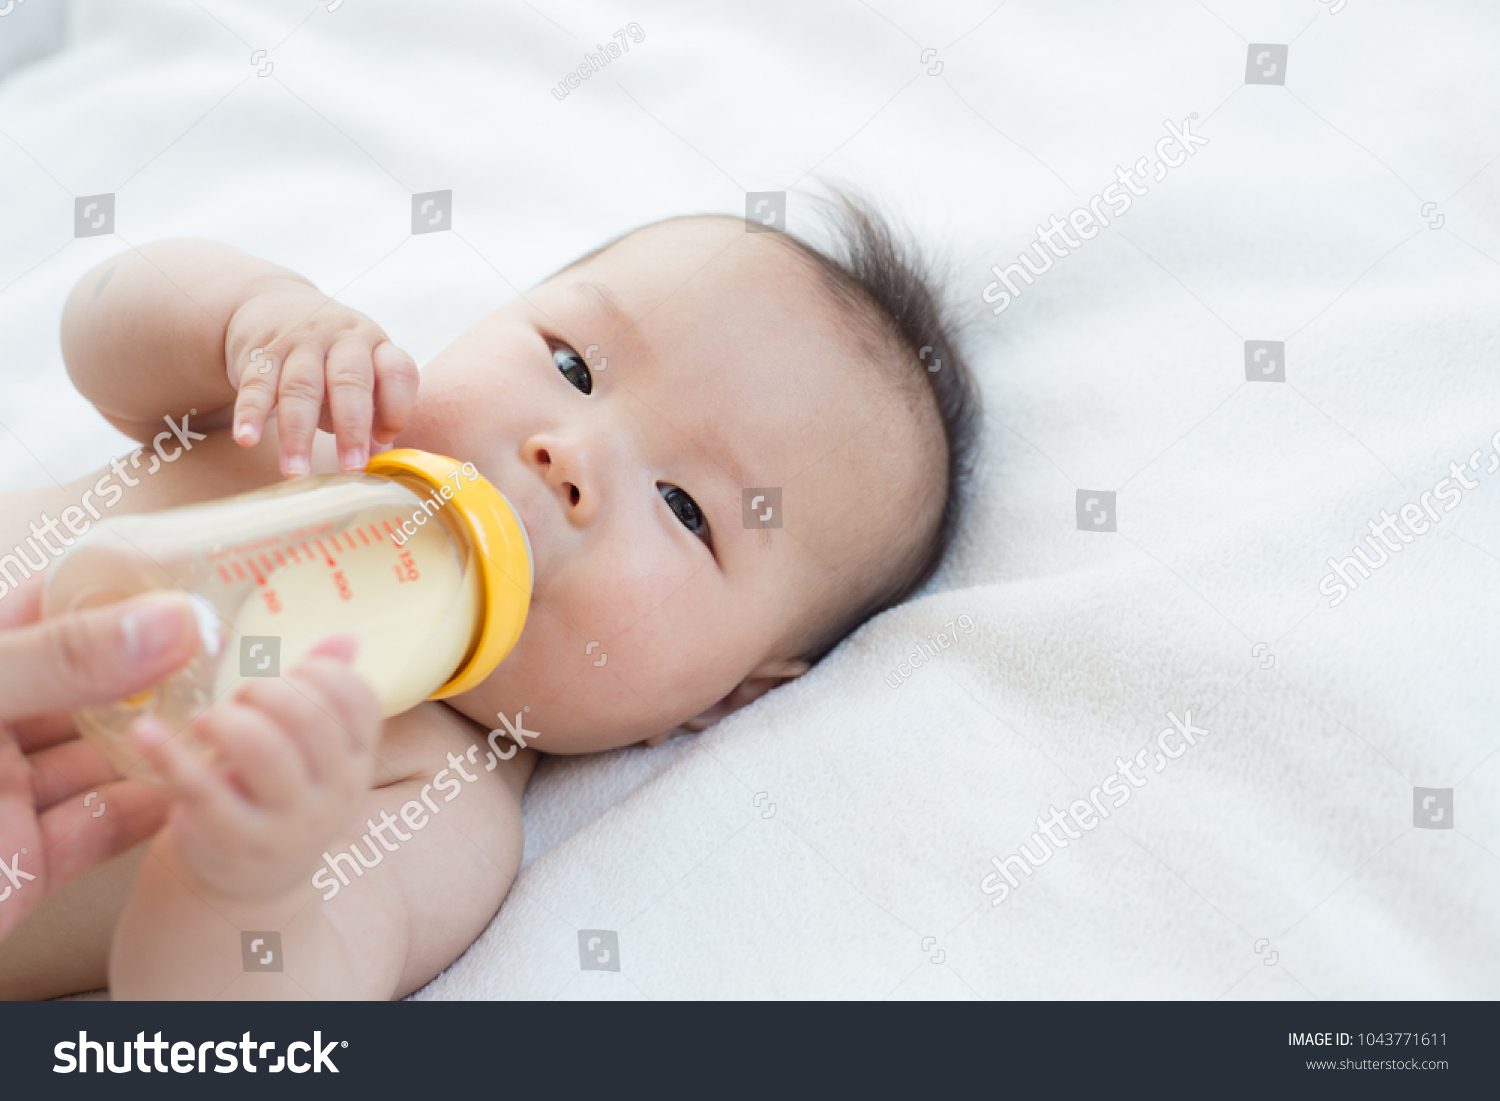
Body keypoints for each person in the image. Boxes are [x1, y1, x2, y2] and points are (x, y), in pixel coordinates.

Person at [0, 196, 980, 998]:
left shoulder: (438, 806)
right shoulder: (309, 433)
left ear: (724, 697)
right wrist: (254, 315)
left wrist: (240, 885)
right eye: (571, 365)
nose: (572, 453)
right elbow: (100, 317)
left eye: (685, 510)